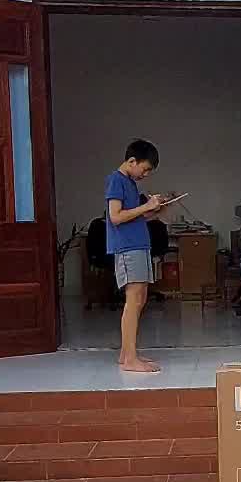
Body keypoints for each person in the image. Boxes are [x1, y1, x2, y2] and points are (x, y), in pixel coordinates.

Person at [104, 139, 164, 373]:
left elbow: (134, 216)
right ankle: (130, 359)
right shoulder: (116, 180)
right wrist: (145, 206)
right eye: (145, 169)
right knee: (134, 300)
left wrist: (154, 210)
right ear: (132, 161)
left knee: (141, 298)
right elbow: (116, 217)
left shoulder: (130, 183)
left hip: (139, 245)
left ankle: (126, 353)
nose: (145, 174)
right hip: (127, 247)